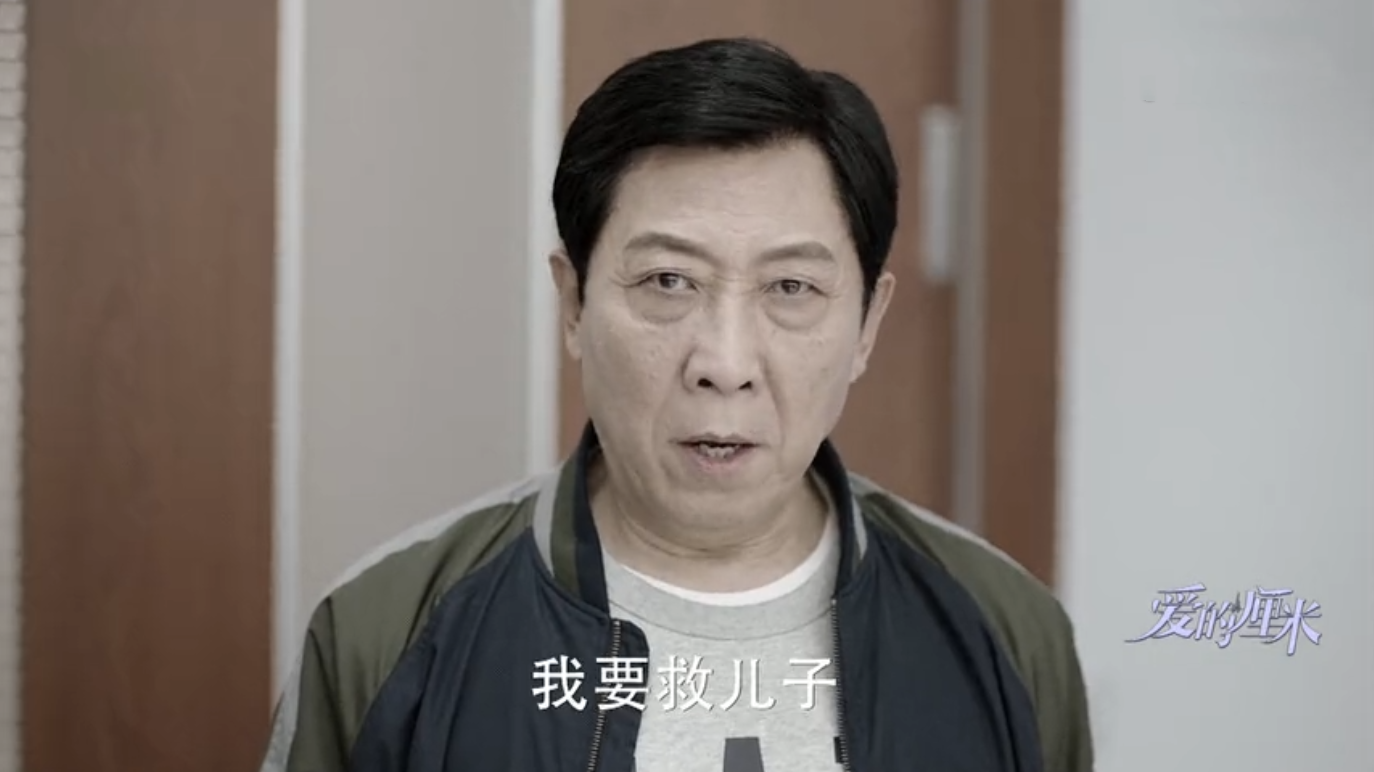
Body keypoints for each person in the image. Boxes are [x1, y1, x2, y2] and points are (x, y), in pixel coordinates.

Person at [258, 37, 1093, 772]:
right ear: (575, 303)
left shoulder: (1004, 632)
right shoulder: (390, 632)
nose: (724, 365)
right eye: (668, 281)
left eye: (791, 288)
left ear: (868, 324)